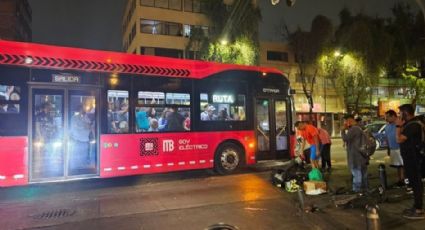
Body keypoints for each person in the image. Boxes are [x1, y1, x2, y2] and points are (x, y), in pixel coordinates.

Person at [395, 104, 424, 220]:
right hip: (410, 158)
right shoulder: (409, 124)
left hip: (414, 159)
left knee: (416, 184)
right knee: (413, 183)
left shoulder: (413, 125)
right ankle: (416, 206)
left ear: (405, 113)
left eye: (400, 113)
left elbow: (399, 139)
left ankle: (419, 209)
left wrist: (397, 126)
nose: (399, 115)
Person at [341, 115, 369, 193]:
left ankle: (357, 191)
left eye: (345, 121)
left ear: (349, 120)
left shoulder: (354, 129)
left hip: (355, 156)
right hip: (362, 155)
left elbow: (345, 138)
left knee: (357, 174)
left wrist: (342, 130)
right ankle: (365, 190)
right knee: (363, 174)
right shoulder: (359, 127)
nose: (344, 123)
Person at [69, 104, 94, 170]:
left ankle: (82, 170)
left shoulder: (85, 117)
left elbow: (89, 126)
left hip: (85, 140)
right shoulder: (74, 118)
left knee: (83, 158)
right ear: (80, 109)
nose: (85, 109)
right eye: (84, 108)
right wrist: (84, 126)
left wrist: (85, 125)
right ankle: (75, 171)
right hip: (77, 140)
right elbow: (76, 127)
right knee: (77, 158)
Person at [384, 109, 404, 187]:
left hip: (400, 148)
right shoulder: (387, 126)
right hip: (392, 148)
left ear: (393, 116)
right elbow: (387, 138)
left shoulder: (400, 124)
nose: (386, 119)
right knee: (397, 165)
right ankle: (399, 179)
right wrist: (388, 148)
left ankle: (403, 180)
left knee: (402, 165)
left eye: (388, 117)